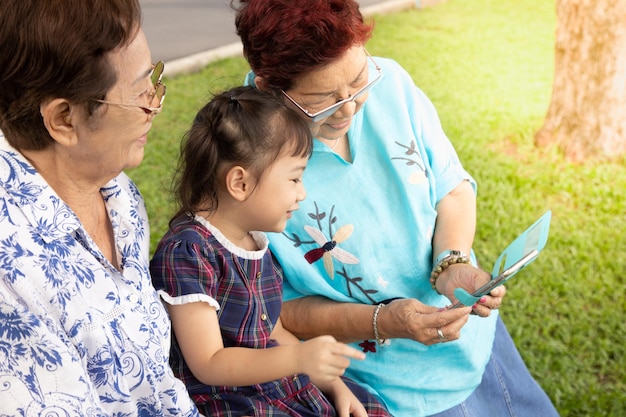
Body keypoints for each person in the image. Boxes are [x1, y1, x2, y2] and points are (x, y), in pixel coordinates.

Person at [231, 0, 561, 416]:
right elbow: (276, 311)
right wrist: (385, 321)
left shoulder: (391, 83)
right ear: (268, 89)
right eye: (324, 101)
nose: (350, 107)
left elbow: (451, 186)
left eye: (357, 80)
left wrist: (451, 263)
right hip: (387, 387)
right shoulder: (243, 158)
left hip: (475, 344)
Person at [0, 1, 199, 415]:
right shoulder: (11, 273)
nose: (154, 105)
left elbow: (157, 383)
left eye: (154, 81)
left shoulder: (116, 193)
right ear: (64, 120)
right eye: (141, 92)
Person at [149, 86, 391, 417]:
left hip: (277, 382)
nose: (302, 193)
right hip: (234, 400)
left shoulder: (254, 242)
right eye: (294, 179)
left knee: (367, 406)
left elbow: (272, 331)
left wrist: (333, 384)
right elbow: (208, 362)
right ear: (241, 183)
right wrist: (297, 360)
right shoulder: (188, 252)